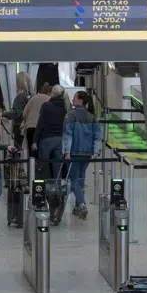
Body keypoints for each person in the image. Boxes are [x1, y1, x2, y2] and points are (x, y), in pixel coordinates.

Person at [61, 89, 103, 219]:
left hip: (73, 152)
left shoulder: (70, 115)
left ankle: (82, 204)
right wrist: (95, 151)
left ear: (80, 101)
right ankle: (78, 206)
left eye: (74, 98)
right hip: (87, 153)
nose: (72, 100)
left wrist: (66, 151)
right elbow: (97, 136)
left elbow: (67, 135)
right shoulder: (92, 117)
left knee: (73, 179)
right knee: (80, 179)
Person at [34, 85, 68, 180]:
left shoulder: (46, 106)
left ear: (52, 94)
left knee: (43, 166)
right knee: (57, 167)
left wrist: (35, 141)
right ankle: (57, 190)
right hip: (60, 140)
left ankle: (43, 189)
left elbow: (40, 124)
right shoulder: (65, 108)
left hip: (47, 139)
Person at [21, 78, 52, 156]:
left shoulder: (34, 98)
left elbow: (24, 113)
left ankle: (31, 167)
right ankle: (38, 167)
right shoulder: (50, 100)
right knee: (41, 153)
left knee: (31, 153)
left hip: (30, 127)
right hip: (42, 129)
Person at [7, 71, 32, 150]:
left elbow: (17, 114)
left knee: (18, 150)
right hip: (27, 126)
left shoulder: (19, 97)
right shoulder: (30, 95)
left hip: (19, 127)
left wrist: (4, 114)